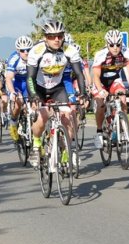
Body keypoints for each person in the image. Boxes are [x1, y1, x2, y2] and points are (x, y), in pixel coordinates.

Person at [25, 20, 86, 167]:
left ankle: (65, 151)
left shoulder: (70, 50)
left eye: (60, 35)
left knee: (68, 117)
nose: (56, 39)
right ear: (45, 37)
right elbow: (30, 78)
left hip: (57, 88)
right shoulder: (36, 51)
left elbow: (79, 74)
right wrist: (33, 96)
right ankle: (36, 145)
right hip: (39, 88)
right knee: (41, 117)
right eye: (52, 36)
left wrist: (83, 94)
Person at [91, 29, 129, 149]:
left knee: (122, 98)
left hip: (114, 80)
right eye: (112, 45)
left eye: (118, 44)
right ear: (107, 44)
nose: (115, 48)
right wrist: (100, 90)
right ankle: (99, 132)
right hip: (100, 82)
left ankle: (121, 127)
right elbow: (95, 76)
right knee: (100, 103)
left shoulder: (126, 52)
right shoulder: (101, 54)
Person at [6, 35, 33, 141]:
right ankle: (13, 122)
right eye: (22, 50)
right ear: (18, 51)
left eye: (28, 50)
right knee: (19, 103)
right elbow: (9, 78)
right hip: (16, 82)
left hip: (29, 82)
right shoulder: (14, 59)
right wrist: (13, 92)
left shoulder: (35, 57)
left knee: (33, 106)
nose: (26, 52)